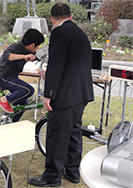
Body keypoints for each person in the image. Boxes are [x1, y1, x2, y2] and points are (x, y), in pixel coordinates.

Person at [29, 3, 94, 187]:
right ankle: (72, 172)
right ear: (71, 16)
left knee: (57, 135)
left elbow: (56, 66)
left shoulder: (59, 32)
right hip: (81, 93)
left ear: (52, 19)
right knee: (73, 133)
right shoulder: (79, 33)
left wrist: (48, 94)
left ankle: (51, 176)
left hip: (65, 95)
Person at [0, 28, 44, 122]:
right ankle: (4, 99)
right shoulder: (16, 46)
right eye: (38, 46)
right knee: (29, 90)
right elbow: (7, 56)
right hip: (3, 77)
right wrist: (25, 56)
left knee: (23, 104)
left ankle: (11, 122)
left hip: (13, 78)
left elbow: (37, 56)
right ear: (33, 45)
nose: (38, 48)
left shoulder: (29, 50)